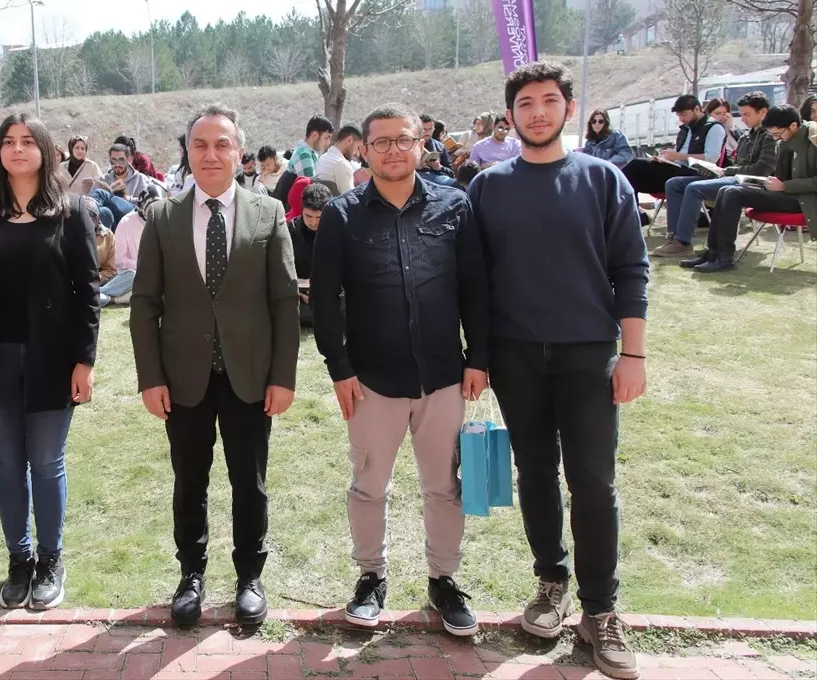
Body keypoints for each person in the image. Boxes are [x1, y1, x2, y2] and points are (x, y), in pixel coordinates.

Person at [468, 62, 648, 680]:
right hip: (517, 356)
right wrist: (478, 357)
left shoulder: (603, 181)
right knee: (535, 473)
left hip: (588, 355)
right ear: (510, 115)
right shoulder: (487, 187)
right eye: (526, 102)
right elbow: (477, 282)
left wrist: (633, 353)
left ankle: (601, 611)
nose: (538, 111)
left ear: (569, 109)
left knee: (593, 482)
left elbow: (632, 272)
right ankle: (552, 581)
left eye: (549, 100)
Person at [310, 103, 488, 636]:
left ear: (420, 144)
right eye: (381, 141)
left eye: (402, 140)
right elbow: (323, 299)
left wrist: (478, 356)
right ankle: (370, 577)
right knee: (368, 487)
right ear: (363, 148)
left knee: (445, 487)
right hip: (371, 382)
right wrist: (339, 368)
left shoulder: (454, 206)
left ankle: (444, 582)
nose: (392, 149)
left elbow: (476, 288)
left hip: (444, 377)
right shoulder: (343, 216)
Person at [130, 103, 299, 628]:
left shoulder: (268, 213)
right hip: (184, 378)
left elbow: (284, 302)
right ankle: (191, 575)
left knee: (250, 482)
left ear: (239, 151)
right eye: (199, 144)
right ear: (187, 151)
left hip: (250, 376)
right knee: (190, 481)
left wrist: (283, 376)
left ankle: (250, 575)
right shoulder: (163, 217)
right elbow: (144, 305)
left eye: (221, 144)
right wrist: (151, 376)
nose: (210, 154)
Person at [0, 112, 99, 611]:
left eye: (27, 141)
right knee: (8, 463)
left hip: (54, 358)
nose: (16, 149)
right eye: (8, 141)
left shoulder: (73, 211)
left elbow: (88, 291)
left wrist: (85, 361)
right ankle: (20, 558)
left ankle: (52, 559)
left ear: (47, 150)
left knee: (46, 463)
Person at [690, 104, 817, 273]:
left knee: (733, 193)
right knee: (726, 190)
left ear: (793, 125)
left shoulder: (813, 138)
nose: (777, 139)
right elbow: (781, 175)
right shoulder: (786, 140)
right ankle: (714, 253)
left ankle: (724, 258)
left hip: (805, 201)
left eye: (778, 134)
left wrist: (785, 185)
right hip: (786, 193)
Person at [654, 92, 776, 259]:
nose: (743, 119)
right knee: (674, 183)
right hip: (733, 177)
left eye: (747, 114)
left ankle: (683, 242)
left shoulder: (770, 136)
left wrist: (728, 170)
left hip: (751, 183)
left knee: (694, 188)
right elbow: (737, 164)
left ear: (763, 112)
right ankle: (674, 236)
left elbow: (762, 169)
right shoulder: (746, 137)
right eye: (741, 114)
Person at [622, 94, 722, 196]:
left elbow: (711, 158)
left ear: (697, 109)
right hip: (677, 167)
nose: (682, 119)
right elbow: (679, 153)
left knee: (636, 167)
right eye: (679, 116)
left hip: (696, 172)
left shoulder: (713, 127)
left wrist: (678, 156)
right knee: (630, 175)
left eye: (684, 114)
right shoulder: (685, 129)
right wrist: (666, 158)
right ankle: (631, 209)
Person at [102, 185, 165, 307]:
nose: (155, 212)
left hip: (159, 276)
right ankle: (100, 294)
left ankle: (108, 298)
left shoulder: (167, 222)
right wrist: (145, 266)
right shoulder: (126, 223)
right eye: (151, 208)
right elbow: (119, 262)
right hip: (131, 277)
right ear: (142, 207)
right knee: (134, 277)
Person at [288, 182, 332, 327]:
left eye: (319, 217)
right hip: (297, 294)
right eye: (308, 216)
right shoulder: (289, 231)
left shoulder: (337, 231)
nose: (313, 222)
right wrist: (296, 291)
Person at [314, 124, 362, 195]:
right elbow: (350, 200)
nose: (357, 154)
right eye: (358, 148)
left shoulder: (322, 159)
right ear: (349, 140)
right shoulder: (342, 164)